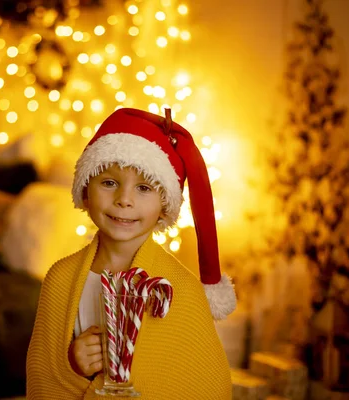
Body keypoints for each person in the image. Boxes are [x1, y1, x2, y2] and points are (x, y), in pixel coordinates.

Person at [26, 107, 237, 399]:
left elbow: (208, 386)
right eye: (109, 182)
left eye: (143, 187)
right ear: (86, 191)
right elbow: (43, 380)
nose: (124, 200)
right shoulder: (59, 279)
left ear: (165, 205)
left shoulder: (181, 290)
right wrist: (72, 364)